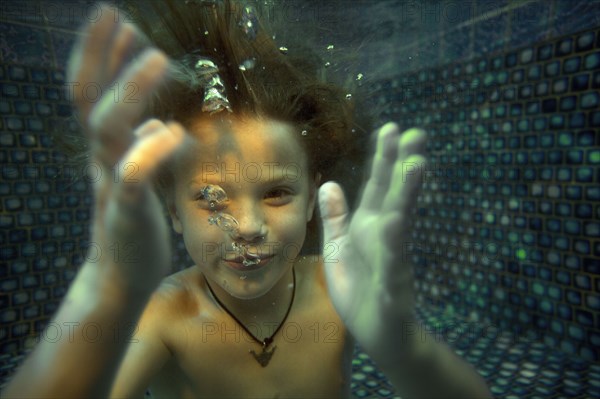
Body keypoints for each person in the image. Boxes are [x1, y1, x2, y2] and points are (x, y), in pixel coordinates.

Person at [3, 1, 492, 398]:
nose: (249, 226)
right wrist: (101, 293)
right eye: (212, 198)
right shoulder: (166, 316)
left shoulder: (343, 290)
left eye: (277, 192)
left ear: (310, 200)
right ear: (173, 211)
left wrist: (403, 347)